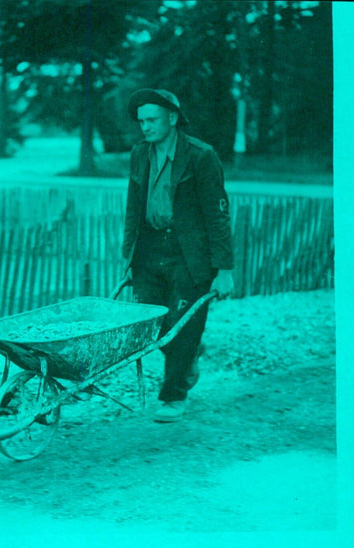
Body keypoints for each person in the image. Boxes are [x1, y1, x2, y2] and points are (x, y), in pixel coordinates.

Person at [122, 88, 234, 423]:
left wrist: (224, 269)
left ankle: (173, 396)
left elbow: (218, 214)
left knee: (183, 326)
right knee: (151, 325)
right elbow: (133, 210)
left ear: (172, 118)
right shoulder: (140, 154)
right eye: (141, 120)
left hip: (189, 255)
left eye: (152, 119)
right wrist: (128, 259)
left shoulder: (201, 156)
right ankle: (188, 356)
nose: (145, 126)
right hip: (149, 251)